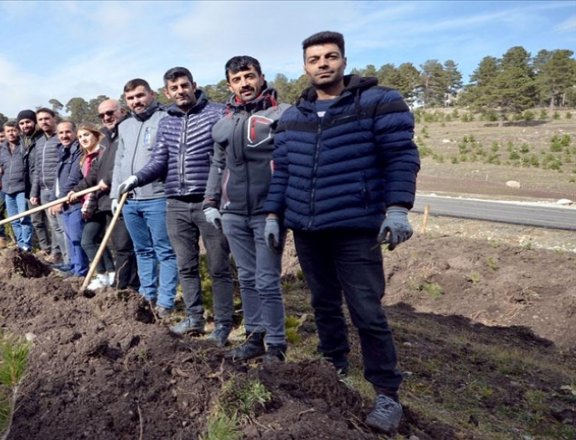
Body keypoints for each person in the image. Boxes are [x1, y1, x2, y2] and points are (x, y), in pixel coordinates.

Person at [263, 31, 420, 433]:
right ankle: (333, 365)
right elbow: (282, 174)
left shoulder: (378, 102)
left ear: (344, 61)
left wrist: (398, 208)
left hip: (356, 228)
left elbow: (401, 156)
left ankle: (386, 393)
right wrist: (272, 215)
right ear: (305, 66)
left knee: (367, 312)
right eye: (314, 59)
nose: (322, 64)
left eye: (330, 57)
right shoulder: (293, 117)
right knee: (323, 304)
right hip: (308, 229)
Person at [118, 67, 234, 346]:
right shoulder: (167, 121)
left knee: (219, 267)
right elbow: (160, 160)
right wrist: (136, 178)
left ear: (194, 85)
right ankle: (195, 318)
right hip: (176, 204)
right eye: (174, 88)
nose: (180, 91)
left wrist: (223, 196)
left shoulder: (217, 113)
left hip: (209, 203)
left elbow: (228, 157)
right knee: (186, 265)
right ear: (167, 93)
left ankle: (222, 324)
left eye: (184, 85)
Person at [204, 55, 290, 361]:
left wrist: (277, 212)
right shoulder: (224, 123)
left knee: (267, 279)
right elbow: (216, 164)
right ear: (230, 85)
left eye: (249, 76)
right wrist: (211, 202)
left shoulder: (283, 115)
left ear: (261, 77)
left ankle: (277, 345)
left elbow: (288, 165)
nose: (245, 83)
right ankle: (255, 337)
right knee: (247, 278)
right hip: (233, 213)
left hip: (268, 214)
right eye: (238, 79)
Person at [111, 79, 177, 313]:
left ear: (151, 94)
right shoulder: (125, 126)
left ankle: (165, 302)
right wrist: (114, 194)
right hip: (129, 200)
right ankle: (146, 296)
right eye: (130, 98)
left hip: (157, 197)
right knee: (142, 250)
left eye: (140, 96)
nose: (136, 101)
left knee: (164, 250)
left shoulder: (165, 119)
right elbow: (119, 160)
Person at [92, 99, 139, 291]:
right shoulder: (105, 138)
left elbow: (127, 162)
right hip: (107, 199)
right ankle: (124, 283)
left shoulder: (128, 132)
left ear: (122, 111)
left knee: (124, 246)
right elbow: (96, 169)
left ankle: (127, 285)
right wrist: (76, 190)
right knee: (120, 246)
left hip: (126, 196)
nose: (106, 118)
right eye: (102, 115)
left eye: (110, 113)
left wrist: (110, 180)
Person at [70, 125, 114, 289]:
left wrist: (89, 201)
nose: (83, 139)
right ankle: (109, 274)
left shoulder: (101, 155)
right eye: (80, 137)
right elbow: (87, 181)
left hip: (100, 202)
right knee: (96, 240)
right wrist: (75, 192)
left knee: (88, 241)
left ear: (96, 135)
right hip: (90, 203)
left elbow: (96, 181)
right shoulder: (85, 158)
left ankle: (105, 275)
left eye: (86, 135)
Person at [30, 108, 67, 266]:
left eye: (47, 118)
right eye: (40, 119)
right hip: (44, 191)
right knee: (54, 227)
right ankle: (58, 255)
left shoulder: (60, 138)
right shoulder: (39, 142)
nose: (44, 122)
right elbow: (37, 169)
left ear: (54, 119)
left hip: (58, 191)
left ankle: (69, 261)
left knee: (62, 228)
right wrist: (34, 191)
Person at [51, 121, 87, 276]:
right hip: (64, 202)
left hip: (74, 201)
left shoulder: (78, 150)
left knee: (77, 238)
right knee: (70, 237)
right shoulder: (62, 151)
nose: (64, 136)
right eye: (61, 133)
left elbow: (73, 177)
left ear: (74, 132)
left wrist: (61, 200)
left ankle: (81, 271)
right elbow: (59, 178)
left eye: (67, 132)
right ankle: (73, 265)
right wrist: (56, 199)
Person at [17, 109, 52, 255]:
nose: (25, 125)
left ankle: (58, 252)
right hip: (29, 186)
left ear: (35, 122)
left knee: (52, 221)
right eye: (22, 123)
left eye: (28, 122)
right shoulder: (22, 141)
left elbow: (38, 167)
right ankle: (46, 248)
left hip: (43, 186)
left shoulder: (42, 139)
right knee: (37, 221)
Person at [0, 121, 33, 251]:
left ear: (18, 131)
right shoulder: (3, 148)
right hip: (7, 188)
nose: (11, 133)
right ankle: (20, 244)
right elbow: (0, 163)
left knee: (24, 219)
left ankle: (27, 246)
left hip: (22, 188)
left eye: (13, 130)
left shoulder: (24, 145)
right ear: (5, 133)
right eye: (8, 131)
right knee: (14, 220)